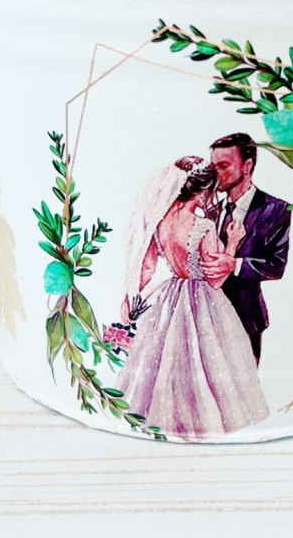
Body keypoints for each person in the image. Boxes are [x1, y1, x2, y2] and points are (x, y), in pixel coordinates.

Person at [116, 157, 270, 439]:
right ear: (203, 190)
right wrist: (233, 242)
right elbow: (215, 278)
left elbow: (147, 267)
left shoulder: (160, 222)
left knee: (166, 360)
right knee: (203, 361)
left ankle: (167, 422)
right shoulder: (203, 226)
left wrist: (129, 297)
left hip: (169, 297)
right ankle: (201, 423)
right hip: (202, 300)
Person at [203, 133, 291, 364]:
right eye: (213, 166)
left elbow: (276, 266)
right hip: (207, 319)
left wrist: (234, 265)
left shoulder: (275, 209)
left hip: (246, 318)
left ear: (247, 166)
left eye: (223, 166)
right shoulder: (211, 213)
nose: (215, 174)